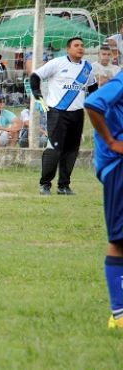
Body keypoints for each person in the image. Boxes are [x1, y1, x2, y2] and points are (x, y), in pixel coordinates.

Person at [30, 37, 98, 195]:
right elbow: (35, 76)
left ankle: (64, 186)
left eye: (82, 45)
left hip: (77, 113)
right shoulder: (57, 63)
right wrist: (38, 96)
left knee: (72, 150)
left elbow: (94, 88)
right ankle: (45, 184)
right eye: (76, 45)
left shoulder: (88, 67)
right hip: (57, 112)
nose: (80, 48)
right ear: (68, 49)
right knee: (54, 148)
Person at [85, 72, 123, 329]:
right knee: (120, 241)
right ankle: (119, 315)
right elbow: (93, 103)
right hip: (118, 167)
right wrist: (111, 142)